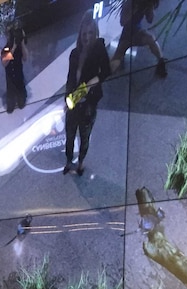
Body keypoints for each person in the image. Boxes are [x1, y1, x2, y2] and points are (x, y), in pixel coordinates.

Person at [63, 12, 111, 176]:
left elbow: (106, 71)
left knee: (84, 136)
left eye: (90, 33)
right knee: (69, 136)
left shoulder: (98, 50)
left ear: (95, 33)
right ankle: (69, 161)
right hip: (73, 101)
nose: (87, 37)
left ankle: (81, 163)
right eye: (84, 33)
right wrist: (68, 99)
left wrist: (91, 84)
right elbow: (70, 78)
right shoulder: (74, 54)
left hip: (88, 104)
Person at [110, 0, 168, 78]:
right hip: (126, 36)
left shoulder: (145, 3)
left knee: (151, 39)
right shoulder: (128, 3)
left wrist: (150, 8)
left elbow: (150, 20)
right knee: (114, 64)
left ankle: (161, 61)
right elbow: (122, 22)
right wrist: (133, 10)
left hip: (138, 32)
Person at [1, 19, 29, 113]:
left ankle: (21, 97)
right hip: (10, 81)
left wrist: (21, 43)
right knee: (10, 109)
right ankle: (12, 100)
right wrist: (13, 48)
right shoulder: (5, 49)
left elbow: (25, 58)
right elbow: (5, 63)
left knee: (22, 104)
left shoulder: (20, 48)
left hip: (19, 78)